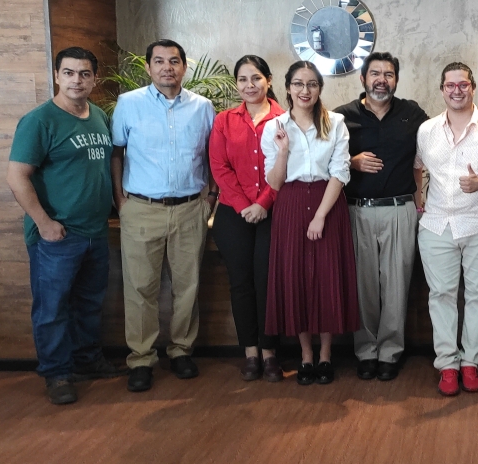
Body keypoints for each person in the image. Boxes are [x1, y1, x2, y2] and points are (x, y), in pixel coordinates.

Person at [7, 47, 123, 405]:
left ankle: (87, 361)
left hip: (94, 231)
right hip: (57, 236)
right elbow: (16, 176)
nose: (77, 80)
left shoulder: (100, 116)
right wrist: (44, 224)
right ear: (57, 76)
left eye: (85, 73)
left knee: (89, 303)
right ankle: (57, 373)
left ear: (94, 79)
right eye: (70, 73)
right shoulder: (39, 120)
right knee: (52, 308)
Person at [111, 39, 216, 393]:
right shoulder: (129, 104)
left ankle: (182, 350)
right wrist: (120, 199)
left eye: (174, 61)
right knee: (140, 288)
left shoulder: (203, 107)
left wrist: (210, 196)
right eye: (159, 61)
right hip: (141, 208)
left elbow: (212, 154)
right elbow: (117, 153)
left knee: (187, 286)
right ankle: (141, 359)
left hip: (190, 208)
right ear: (149, 67)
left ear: (184, 67)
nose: (167, 67)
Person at [415, 62, 478, 396]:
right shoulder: (427, 130)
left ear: (473, 86)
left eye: (463, 84)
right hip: (436, 225)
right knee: (441, 296)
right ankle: (447, 365)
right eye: (450, 85)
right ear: (442, 89)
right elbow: (418, 167)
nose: (457, 90)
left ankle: (471, 361)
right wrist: (419, 198)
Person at [261, 61, 359, 386]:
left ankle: (326, 355)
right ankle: (305, 356)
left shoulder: (336, 123)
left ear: (319, 89)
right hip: (289, 204)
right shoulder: (274, 126)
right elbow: (274, 183)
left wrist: (320, 215)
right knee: (297, 278)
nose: (306, 91)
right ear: (288, 88)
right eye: (299, 84)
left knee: (326, 277)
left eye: (313, 84)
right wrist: (283, 151)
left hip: (327, 202)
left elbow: (341, 171)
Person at [335, 52, 429, 382]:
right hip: (356, 210)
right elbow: (321, 158)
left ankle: (390, 351)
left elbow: (443, 133)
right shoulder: (341, 117)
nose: (381, 80)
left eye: (388, 74)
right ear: (362, 79)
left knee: (396, 284)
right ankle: (365, 350)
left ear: (396, 80)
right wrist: (351, 161)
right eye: (375, 73)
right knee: (363, 285)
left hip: (400, 209)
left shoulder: (412, 113)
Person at [209, 55, 286, 382]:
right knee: (240, 283)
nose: (249, 85)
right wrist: (244, 206)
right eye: (242, 79)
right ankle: (250, 353)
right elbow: (219, 167)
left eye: (256, 78)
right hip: (233, 214)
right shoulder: (224, 120)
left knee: (268, 283)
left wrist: (264, 202)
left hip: (275, 213)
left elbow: (290, 167)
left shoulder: (285, 119)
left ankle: (270, 353)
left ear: (268, 80)